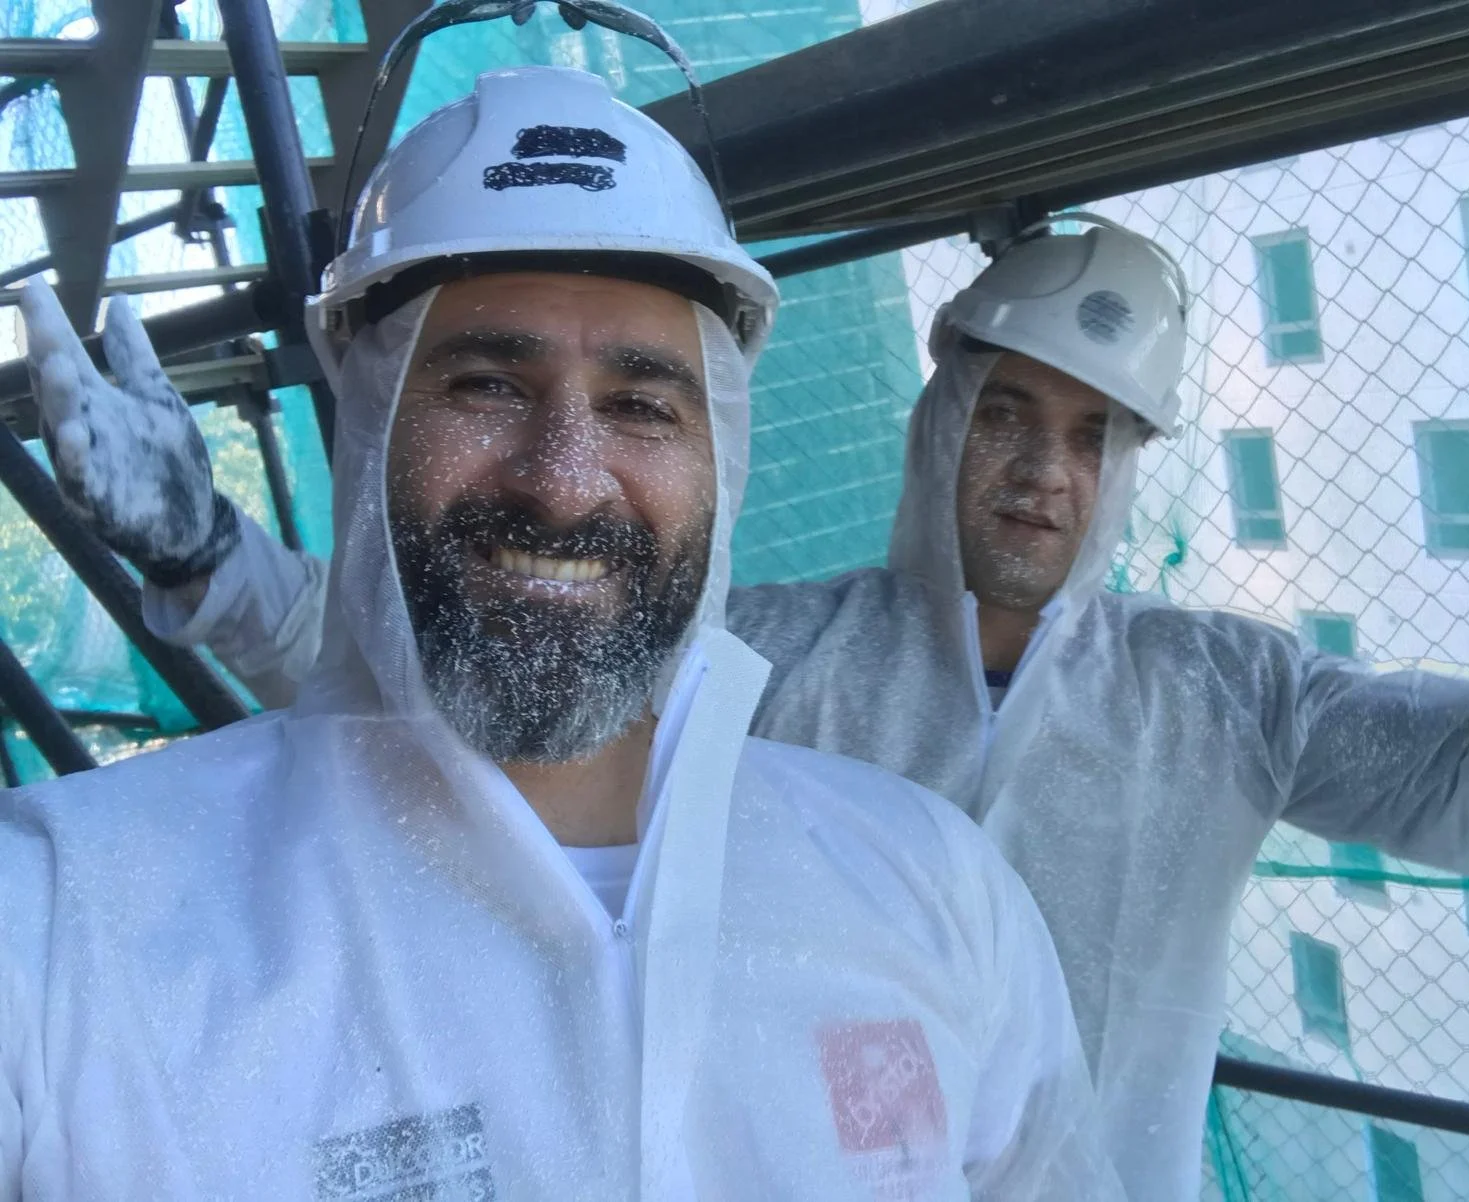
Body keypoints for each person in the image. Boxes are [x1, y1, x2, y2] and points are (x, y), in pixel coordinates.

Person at [39, 198, 1469, 1199]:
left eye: (1093, 435)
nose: (1041, 470)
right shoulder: (757, 669)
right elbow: (450, 648)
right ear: (937, 420)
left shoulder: (1231, 691)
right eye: (1007, 411)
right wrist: (214, 556)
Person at [0, 66, 1129, 1201]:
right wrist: (206, 554)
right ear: (373, 434)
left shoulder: (932, 890)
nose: (565, 484)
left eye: (642, 404)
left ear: (721, 459)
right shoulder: (68, 923)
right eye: (488, 383)